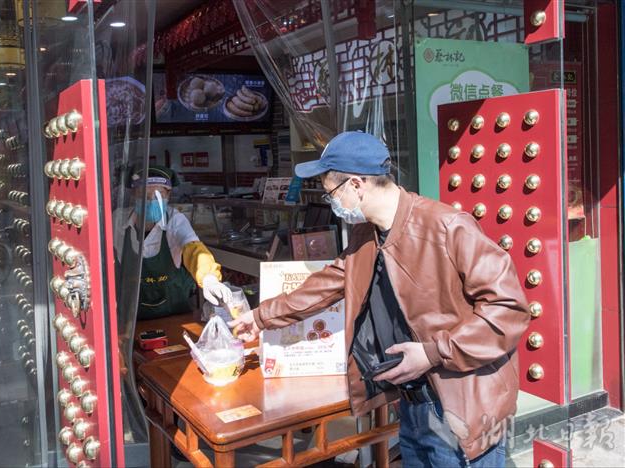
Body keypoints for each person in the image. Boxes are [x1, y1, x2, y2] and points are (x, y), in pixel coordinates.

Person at [230, 131, 531, 467]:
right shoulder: (367, 234)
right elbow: (326, 285)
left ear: (356, 185)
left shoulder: (448, 227)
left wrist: (433, 352)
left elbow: (509, 310)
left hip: (462, 406)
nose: (331, 203)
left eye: (331, 193)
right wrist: (259, 318)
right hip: (412, 404)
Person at [113, 165, 232, 320]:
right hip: (130, 318)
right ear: (134, 195)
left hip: (174, 314)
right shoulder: (117, 221)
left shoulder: (175, 220)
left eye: (158, 195)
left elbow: (194, 250)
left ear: (168, 196)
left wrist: (209, 278)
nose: (151, 201)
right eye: (145, 196)